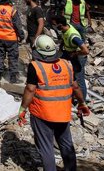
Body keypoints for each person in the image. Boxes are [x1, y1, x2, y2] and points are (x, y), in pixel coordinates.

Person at [18, 35, 90, 171]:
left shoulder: (36, 66)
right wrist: (82, 103)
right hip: (63, 113)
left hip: (42, 114)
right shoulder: (66, 64)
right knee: (66, 144)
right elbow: (75, 86)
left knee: (46, 147)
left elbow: (30, 89)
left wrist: (23, 108)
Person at [50, 15, 90, 100]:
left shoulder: (73, 36)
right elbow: (64, 38)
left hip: (79, 56)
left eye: (55, 24)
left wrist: (75, 53)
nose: (54, 27)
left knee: (79, 78)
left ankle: (82, 101)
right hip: (70, 53)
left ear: (60, 25)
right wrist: (61, 47)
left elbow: (86, 51)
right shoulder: (65, 28)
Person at [0, 0, 23, 83]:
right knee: (13, 57)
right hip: (11, 38)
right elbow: (17, 25)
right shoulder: (12, 10)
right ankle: (13, 77)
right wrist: (21, 36)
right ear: (9, 1)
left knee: (0, 56)